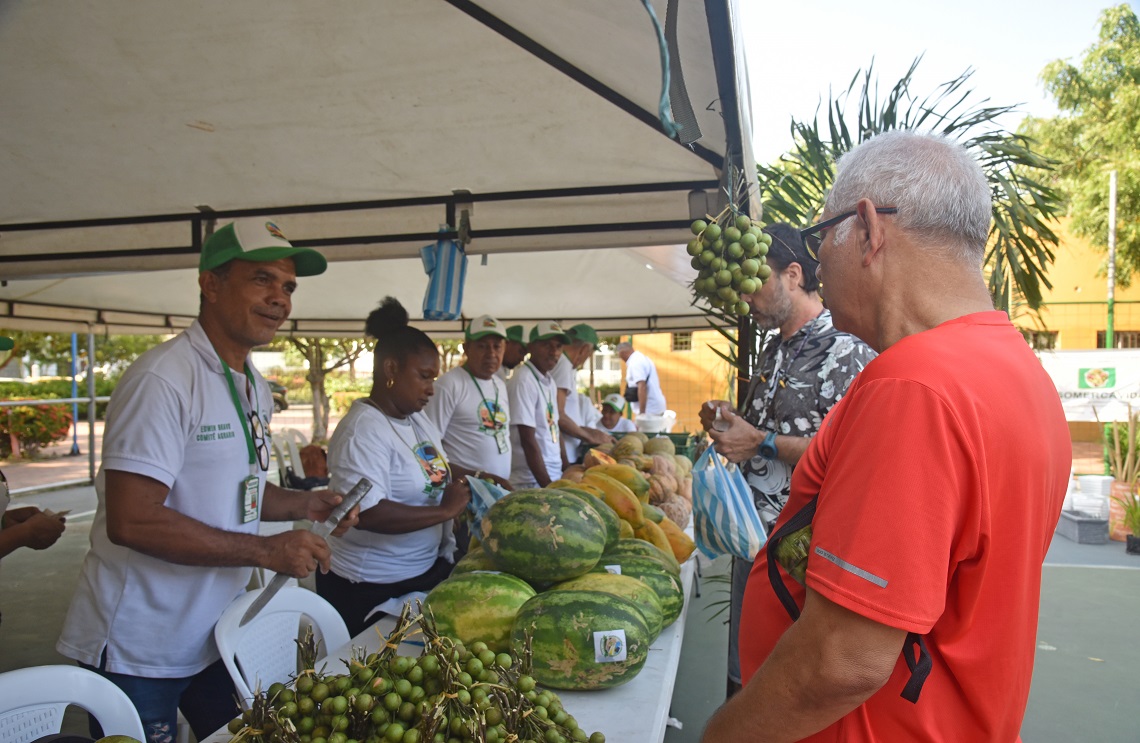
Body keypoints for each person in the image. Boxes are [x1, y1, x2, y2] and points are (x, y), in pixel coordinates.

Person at [701, 131, 1071, 742]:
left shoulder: (913, 386)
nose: (818, 265)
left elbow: (841, 663)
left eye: (822, 240)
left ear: (869, 229)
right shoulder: (1017, 369)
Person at [56, 219, 358, 743]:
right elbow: (133, 519)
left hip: (216, 635)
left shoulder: (251, 383)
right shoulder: (163, 380)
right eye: (262, 279)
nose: (280, 299)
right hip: (141, 645)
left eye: (287, 287)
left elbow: (236, 491)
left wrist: (308, 505)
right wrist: (265, 552)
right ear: (210, 283)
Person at [698, 222, 876, 698]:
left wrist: (760, 441)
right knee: (746, 680)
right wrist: (729, 423)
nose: (745, 297)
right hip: (755, 547)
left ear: (793, 274)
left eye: (755, 281)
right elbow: (767, 432)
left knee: (786, 693)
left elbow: (852, 453)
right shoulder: (773, 350)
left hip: (804, 562)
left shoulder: (844, 348)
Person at [318, 297, 472, 636]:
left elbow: (432, 466)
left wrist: (476, 477)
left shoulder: (415, 418)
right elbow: (368, 513)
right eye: (424, 377)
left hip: (422, 573)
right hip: (370, 587)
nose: (431, 390)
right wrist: (445, 511)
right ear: (390, 369)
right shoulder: (363, 430)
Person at [423, 314, 513, 489]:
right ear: (466, 348)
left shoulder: (499, 384)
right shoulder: (449, 384)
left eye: (497, 346)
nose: (491, 354)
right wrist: (475, 477)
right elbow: (429, 447)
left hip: (497, 491)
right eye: (482, 346)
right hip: (465, 491)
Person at [508, 322, 569, 488]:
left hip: (552, 475)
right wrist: (547, 486)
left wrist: (567, 468)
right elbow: (527, 439)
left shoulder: (549, 382)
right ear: (530, 347)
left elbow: (554, 427)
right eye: (546, 345)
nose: (554, 352)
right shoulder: (523, 379)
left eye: (558, 346)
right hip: (531, 480)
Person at [552, 323, 614, 466]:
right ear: (585, 349)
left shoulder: (565, 365)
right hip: (563, 454)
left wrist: (590, 432)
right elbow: (557, 415)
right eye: (590, 354)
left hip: (566, 450)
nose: (587, 359)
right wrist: (588, 436)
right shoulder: (563, 365)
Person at [617, 341, 666, 417]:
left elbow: (642, 386)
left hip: (649, 409)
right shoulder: (641, 358)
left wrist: (642, 413)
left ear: (622, 353)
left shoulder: (635, 363)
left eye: (620, 356)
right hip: (653, 407)